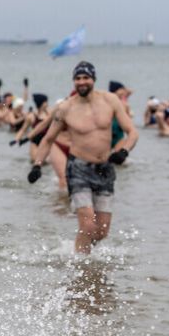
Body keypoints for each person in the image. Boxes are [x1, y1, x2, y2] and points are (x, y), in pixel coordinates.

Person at [28, 61, 139, 254]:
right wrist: (37, 165)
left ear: (93, 79)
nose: (81, 82)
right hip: (78, 169)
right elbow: (48, 139)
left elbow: (132, 132)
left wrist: (124, 151)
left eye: (85, 77)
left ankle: (79, 252)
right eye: (77, 78)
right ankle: (81, 263)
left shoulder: (110, 100)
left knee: (102, 231)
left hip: (104, 169)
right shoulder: (66, 108)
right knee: (87, 225)